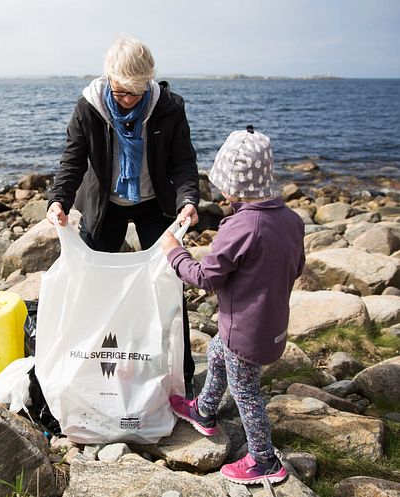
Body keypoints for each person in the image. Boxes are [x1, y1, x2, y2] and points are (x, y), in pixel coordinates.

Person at [47, 34, 200, 397]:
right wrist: (58, 201)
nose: (129, 100)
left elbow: (183, 161)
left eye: (137, 92)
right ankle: (87, 367)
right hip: (105, 205)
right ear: (108, 79)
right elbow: (73, 159)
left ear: (149, 81)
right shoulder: (89, 107)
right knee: (91, 285)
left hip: (154, 204)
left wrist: (188, 199)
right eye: (121, 92)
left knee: (169, 288)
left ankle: (182, 375)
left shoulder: (170, 107)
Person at [162, 127, 305, 485]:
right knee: (214, 352)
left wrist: (174, 253)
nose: (222, 192)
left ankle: (263, 460)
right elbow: (296, 266)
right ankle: (205, 410)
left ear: (234, 187)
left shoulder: (241, 227)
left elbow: (207, 278)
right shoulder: (291, 221)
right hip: (271, 324)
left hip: (245, 331)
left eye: (224, 184)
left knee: (247, 394)